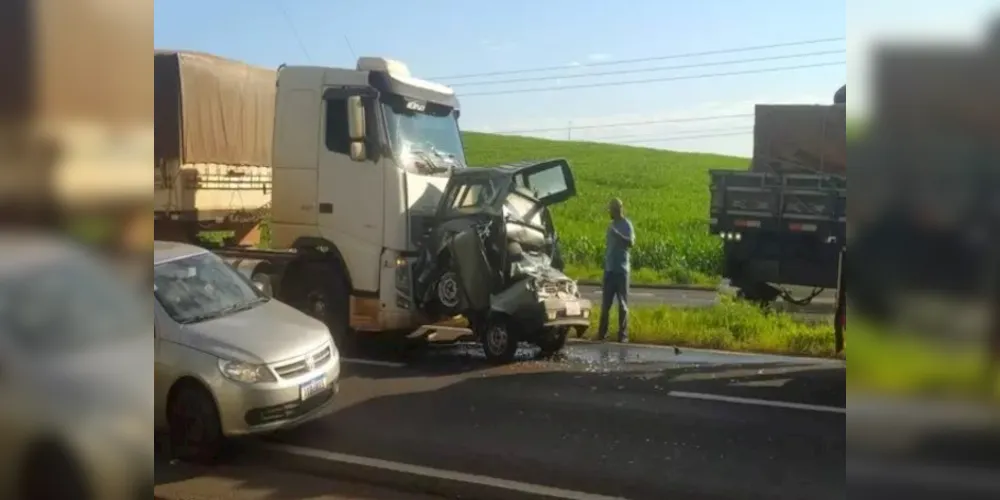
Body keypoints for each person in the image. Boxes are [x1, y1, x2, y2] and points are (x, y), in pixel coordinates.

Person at [597, 198, 634, 342]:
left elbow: (631, 243)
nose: (609, 213)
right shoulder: (610, 225)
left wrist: (618, 235)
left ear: (617, 210)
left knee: (623, 305)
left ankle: (622, 336)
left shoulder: (627, 225)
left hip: (622, 270)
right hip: (609, 270)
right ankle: (602, 334)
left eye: (611, 210)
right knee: (605, 304)